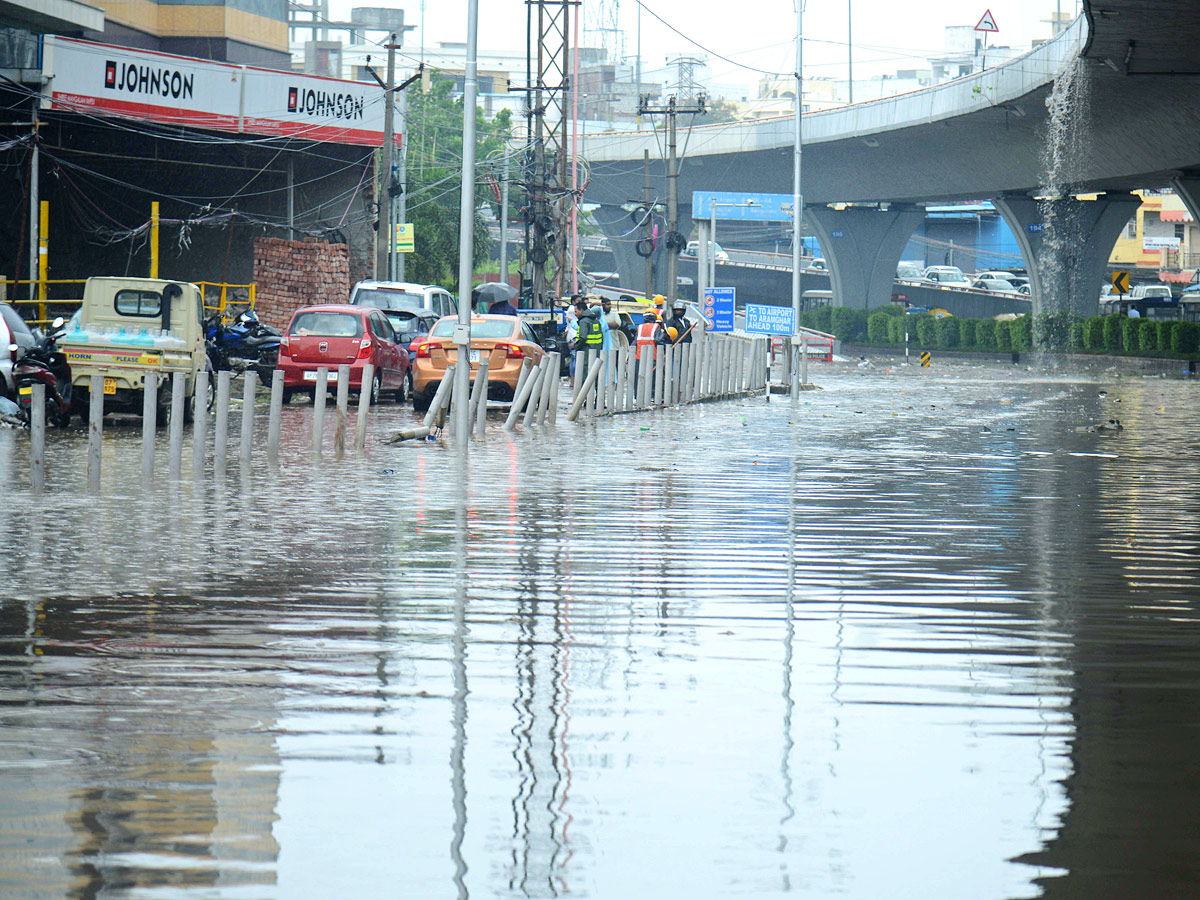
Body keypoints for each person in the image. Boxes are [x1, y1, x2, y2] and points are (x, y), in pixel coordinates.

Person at [573, 297, 603, 389]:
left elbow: (582, 337)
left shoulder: (584, 321)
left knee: (586, 377)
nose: (575, 314)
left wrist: (575, 345)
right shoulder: (596, 320)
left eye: (576, 311)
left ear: (581, 310)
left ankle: (586, 399)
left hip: (586, 353)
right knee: (596, 375)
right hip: (597, 352)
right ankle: (597, 399)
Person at [633, 306, 659, 390]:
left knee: (639, 377)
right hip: (652, 357)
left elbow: (634, 342)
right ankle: (651, 396)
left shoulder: (640, 327)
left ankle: (637, 395)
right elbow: (659, 340)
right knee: (651, 378)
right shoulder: (656, 327)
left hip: (639, 357)